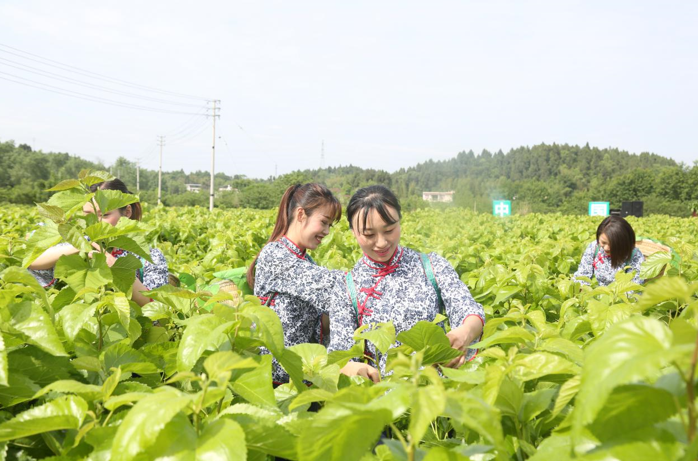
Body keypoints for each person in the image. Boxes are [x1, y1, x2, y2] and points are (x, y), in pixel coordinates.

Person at [327, 185, 485, 382]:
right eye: (369, 235)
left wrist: (465, 332)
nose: (382, 242)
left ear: (400, 222)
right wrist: (351, 367)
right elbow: (340, 353)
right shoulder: (346, 287)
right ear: (353, 232)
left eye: (389, 230)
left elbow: (470, 311)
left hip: (436, 394)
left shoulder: (431, 266)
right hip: (384, 402)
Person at [247, 183, 343, 384]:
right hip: (276, 381)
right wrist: (372, 277)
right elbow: (332, 287)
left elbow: (321, 319)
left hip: (301, 379)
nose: (326, 231)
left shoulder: (306, 261)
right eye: (324, 222)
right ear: (301, 215)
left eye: (330, 225)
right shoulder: (276, 256)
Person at [28, 179, 169, 305]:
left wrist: (116, 268)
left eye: (104, 215)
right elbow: (33, 260)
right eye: (88, 215)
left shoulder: (149, 257)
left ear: (127, 212)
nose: (96, 223)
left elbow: (156, 308)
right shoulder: (80, 244)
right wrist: (79, 246)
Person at [573, 215, 644, 287]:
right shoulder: (594, 247)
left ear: (624, 243)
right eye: (603, 242)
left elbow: (634, 287)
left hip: (621, 296)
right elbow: (582, 275)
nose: (606, 248)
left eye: (612, 244)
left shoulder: (634, 255)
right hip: (597, 294)